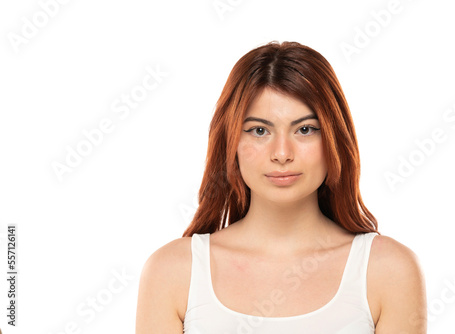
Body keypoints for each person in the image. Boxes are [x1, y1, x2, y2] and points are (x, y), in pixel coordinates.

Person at [135, 41, 427, 333]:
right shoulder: (172, 272)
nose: (282, 153)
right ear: (231, 141)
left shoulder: (389, 270)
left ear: (334, 139)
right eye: (259, 131)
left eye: (305, 129)